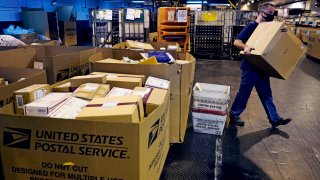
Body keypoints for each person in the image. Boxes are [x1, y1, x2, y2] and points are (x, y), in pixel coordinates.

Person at [230, 2, 291, 127]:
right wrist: (245, 46)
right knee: (244, 92)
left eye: (273, 13)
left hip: (263, 67)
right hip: (250, 67)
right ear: (261, 12)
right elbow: (237, 42)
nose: (271, 16)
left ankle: (274, 118)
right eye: (269, 13)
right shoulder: (252, 26)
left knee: (266, 93)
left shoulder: (269, 29)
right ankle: (234, 114)